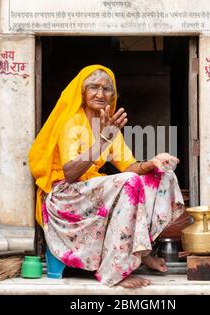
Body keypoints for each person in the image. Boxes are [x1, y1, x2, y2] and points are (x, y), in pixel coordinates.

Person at [28, 65, 185, 288]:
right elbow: (70, 174)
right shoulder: (71, 122)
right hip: (65, 196)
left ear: (114, 94)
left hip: (89, 192)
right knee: (128, 183)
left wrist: (154, 162)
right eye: (93, 87)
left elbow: (129, 166)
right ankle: (116, 270)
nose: (101, 94)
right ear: (82, 91)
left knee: (162, 176)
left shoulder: (106, 123)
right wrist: (103, 139)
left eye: (107, 89)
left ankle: (140, 251)